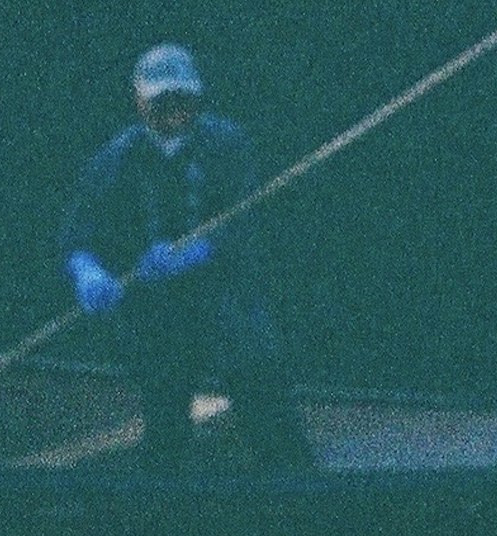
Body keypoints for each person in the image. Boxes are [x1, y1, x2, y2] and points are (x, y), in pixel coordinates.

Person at [63, 44, 314, 473]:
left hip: (223, 293)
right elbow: (80, 229)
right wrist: (87, 269)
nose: (174, 109)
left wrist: (196, 251)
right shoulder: (119, 157)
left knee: (258, 379)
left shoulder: (226, 145)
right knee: (163, 402)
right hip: (157, 306)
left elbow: (247, 221)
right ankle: (166, 490)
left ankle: (289, 475)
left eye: (182, 98)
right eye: (162, 99)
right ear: (140, 101)